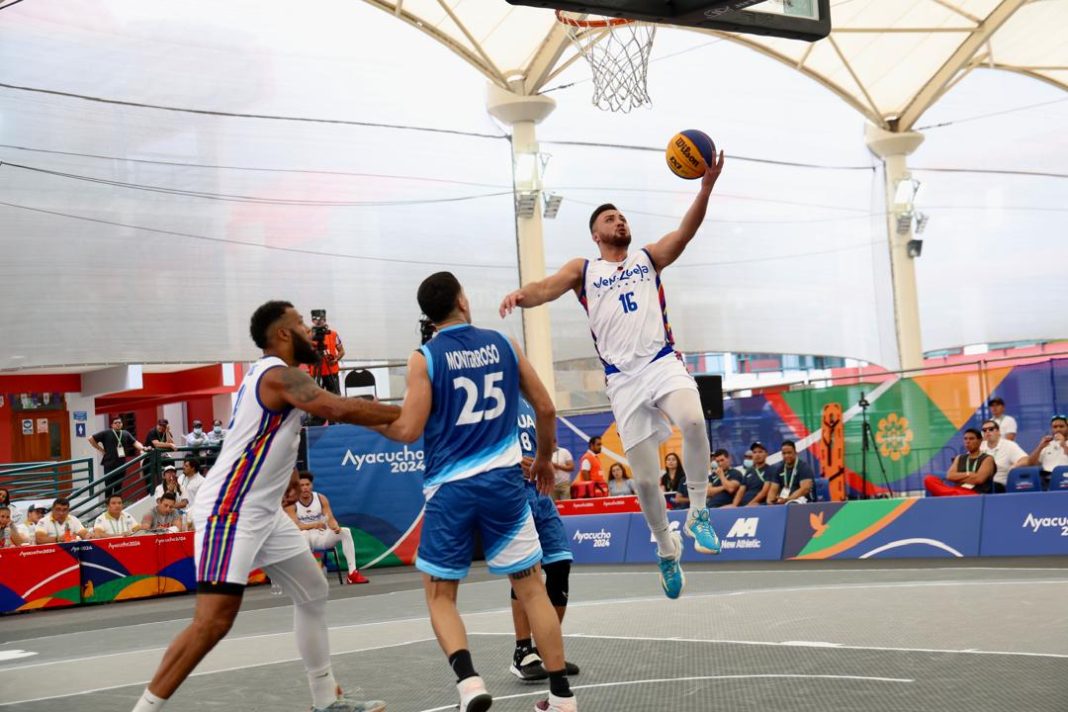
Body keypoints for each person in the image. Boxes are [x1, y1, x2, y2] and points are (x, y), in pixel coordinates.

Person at [131, 300, 400, 712]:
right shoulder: (280, 375)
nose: (311, 333)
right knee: (214, 621)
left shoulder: (265, 377)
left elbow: (261, 434)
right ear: (282, 335)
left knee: (312, 589)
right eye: (300, 325)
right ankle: (145, 708)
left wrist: (288, 472)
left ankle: (326, 700)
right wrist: (409, 410)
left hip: (262, 512)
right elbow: (337, 407)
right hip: (230, 511)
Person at [498, 154, 726, 600]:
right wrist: (521, 296)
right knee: (644, 480)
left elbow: (684, 233)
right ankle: (666, 549)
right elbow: (546, 288)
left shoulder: (647, 259)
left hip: (661, 361)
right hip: (622, 380)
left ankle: (698, 512)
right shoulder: (584, 270)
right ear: (595, 233)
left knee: (695, 421)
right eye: (609, 218)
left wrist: (704, 189)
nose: (619, 221)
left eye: (622, 216)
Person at [379, 272, 576, 712]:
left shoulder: (424, 358)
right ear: (463, 302)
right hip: (505, 486)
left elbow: (408, 429)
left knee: (440, 595)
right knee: (531, 588)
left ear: (429, 317)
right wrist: (544, 459)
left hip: (451, 491)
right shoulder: (504, 343)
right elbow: (545, 406)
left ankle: (469, 680)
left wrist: (357, 413)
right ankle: (561, 695)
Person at [508, 397, 579, 684]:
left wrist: (543, 459)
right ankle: (522, 653)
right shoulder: (490, 399)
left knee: (560, 566)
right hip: (511, 492)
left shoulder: (527, 401)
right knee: (528, 571)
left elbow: (545, 441)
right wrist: (514, 462)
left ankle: (546, 651)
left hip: (540, 493)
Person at [284, 471, 370, 585]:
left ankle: (352, 574)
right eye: (301, 485)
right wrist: (314, 525)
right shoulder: (291, 503)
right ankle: (307, 577)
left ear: (311, 485)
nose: (305, 488)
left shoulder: (321, 498)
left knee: (345, 532)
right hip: (303, 539)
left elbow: (330, 519)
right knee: (302, 534)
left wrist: (335, 526)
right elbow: (296, 527)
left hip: (320, 537)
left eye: (307, 485)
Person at [924, 429, 995, 496]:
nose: (967, 441)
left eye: (971, 439)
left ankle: (947, 495)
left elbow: (979, 479)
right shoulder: (959, 457)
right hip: (957, 490)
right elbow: (950, 476)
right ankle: (950, 495)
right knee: (929, 479)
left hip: (974, 493)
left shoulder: (987, 458)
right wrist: (969, 474)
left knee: (951, 492)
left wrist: (959, 478)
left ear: (980, 441)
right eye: (965, 439)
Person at [88, 416, 144, 499]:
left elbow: (135, 443)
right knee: (109, 486)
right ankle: (108, 505)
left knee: (118, 486)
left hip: (121, 464)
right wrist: (100, 449)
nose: (118, 424)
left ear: (122, 424)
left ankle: (117, 504)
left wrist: (143, 448)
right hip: (109, 464)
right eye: (115, 423)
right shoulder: (107, 433)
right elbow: (90, 438)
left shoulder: (125, 433)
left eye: (119, 423)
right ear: (112, 425)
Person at [979, 419, 1028, 493]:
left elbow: (1026, 459)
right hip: (979, 482)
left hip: (998, 484)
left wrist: (1013, 467)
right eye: (984, 430)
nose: (987, 432)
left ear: (998, 431)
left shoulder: (1009, 445)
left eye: (991, 429)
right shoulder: (980, 446)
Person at [308, 309, 345, 396]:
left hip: (331, 371)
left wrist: (335, 360)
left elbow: (342, 351)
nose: (319, 322)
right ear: (313, 321)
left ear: (325, 320)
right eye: (316, 320)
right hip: (316, 372)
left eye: (321, 319)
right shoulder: (309, 335)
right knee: (316, 397)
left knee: (335, 396)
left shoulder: (333, 334)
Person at [1027, 415, 1068, 488]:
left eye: (1061, 426)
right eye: (1055, 427)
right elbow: (1031, 463)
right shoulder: (1047, 444)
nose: (1058, 429)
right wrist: (1040, 447)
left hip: (1065, 478)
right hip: (1047, 478)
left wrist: (1064, 445)